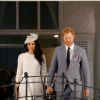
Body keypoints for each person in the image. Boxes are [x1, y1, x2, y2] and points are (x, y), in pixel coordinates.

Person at [47, 27, 90, 100]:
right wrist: (49, 85)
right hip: (60, 86)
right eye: (66, 38)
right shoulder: (57, 50)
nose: (68, 40)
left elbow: (86, 70)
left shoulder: (81, 51)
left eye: (70, 37)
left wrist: (87, 87)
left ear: (73, 37)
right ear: (63, 38)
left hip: (76, 86)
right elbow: (52, 68)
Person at [15, 33, 47, 100]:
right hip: (24, 84)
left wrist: (47, 85)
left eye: (33, 44)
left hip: (37, 84)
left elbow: (44, 73)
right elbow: (19, 72)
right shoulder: (21, 56)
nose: (31, 46)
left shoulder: (42, 56)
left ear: (36, 45)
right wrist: (16, 86)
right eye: (29, 44)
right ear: (26, 45)